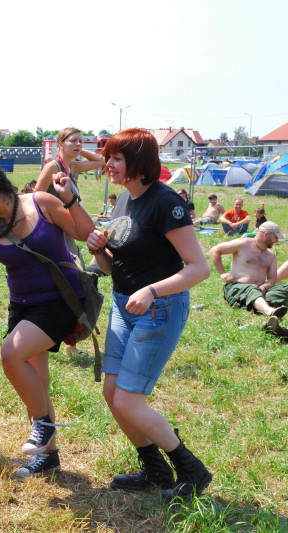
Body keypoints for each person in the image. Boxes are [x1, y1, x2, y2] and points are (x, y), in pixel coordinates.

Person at [86, 128, 211, 502]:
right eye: (108, 156)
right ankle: (155, 470)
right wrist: (98, 252)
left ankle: (191, 470)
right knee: (112, 393)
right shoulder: (126, 197)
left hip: (158, 309)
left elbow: (199, 268)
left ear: (138, 164)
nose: (107, 163)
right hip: (124, 306)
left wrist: (154, 289)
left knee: (128, 401)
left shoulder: (164, 202)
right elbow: (114, 268)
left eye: (116, 158)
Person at [0, 162, 95, 478]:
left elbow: (85, 234)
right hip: (23, 309)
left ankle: (43, 426)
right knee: (36, 381)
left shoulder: (41, 203)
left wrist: (71, 200)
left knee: (10, 354)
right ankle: (49, 457)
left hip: (63, 301)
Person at [35, 128, 104, 269]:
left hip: (68, 228)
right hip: (53, 231)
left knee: (78, 270)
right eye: (73, 141)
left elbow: (100, 160)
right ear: (61, 144)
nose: (78, 144)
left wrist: (79, 149)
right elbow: (35, 200)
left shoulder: (71, 166)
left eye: (80, 141)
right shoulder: (52, 167)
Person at [210, 222, 288, 318]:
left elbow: (272, 279)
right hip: (238, 287)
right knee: (252, 290)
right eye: (275, 237)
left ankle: (255, 302)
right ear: (266, 235)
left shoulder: (271, 255)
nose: (277, 241)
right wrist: (222, 273)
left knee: (287, 288)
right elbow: (215, 250)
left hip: (260, 289)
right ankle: (269, 311)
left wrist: (264, 287)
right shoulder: (242, 243)